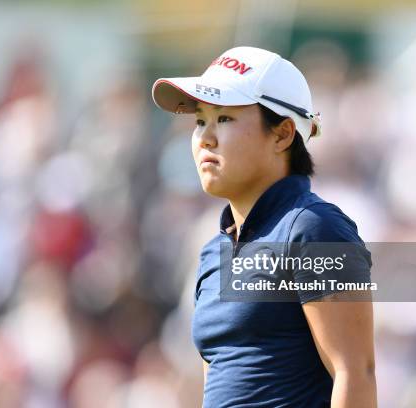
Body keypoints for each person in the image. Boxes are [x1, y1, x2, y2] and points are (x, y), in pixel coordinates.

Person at [151, 46, 377, 407]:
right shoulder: (214, 250)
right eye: (199, 121)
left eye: (224, 119)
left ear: (283, 134)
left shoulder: (316, 228)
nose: (205, 138)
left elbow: (355, 374)